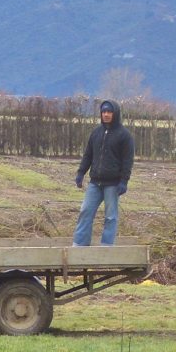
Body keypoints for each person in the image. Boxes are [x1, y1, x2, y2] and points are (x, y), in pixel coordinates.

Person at [72, 99, 134, 246]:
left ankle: (106, 247)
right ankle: (80, 245)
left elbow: (127, 160)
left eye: (109, 112)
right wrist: (81, 173)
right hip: (95, 182)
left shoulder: (124, 135)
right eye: (104, 112)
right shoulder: (96, 133)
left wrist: (124, 181)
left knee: (110, 217)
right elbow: (88, 155)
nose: (106, 114)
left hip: (112, 184)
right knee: (85, 211)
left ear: (115, 113)